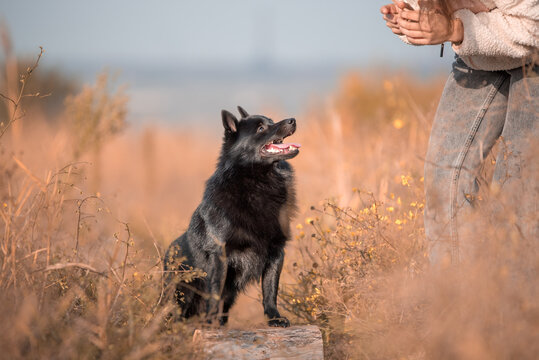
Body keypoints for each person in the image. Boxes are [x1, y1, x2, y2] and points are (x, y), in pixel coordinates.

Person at [380, 0, 538, 265]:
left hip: (530, 45)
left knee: (518, 190)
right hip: (482, 53)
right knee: (443, 178)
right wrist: (414, 22)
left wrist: (455, 29)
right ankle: (457, 300)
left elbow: (534, 27)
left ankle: (518, 301)